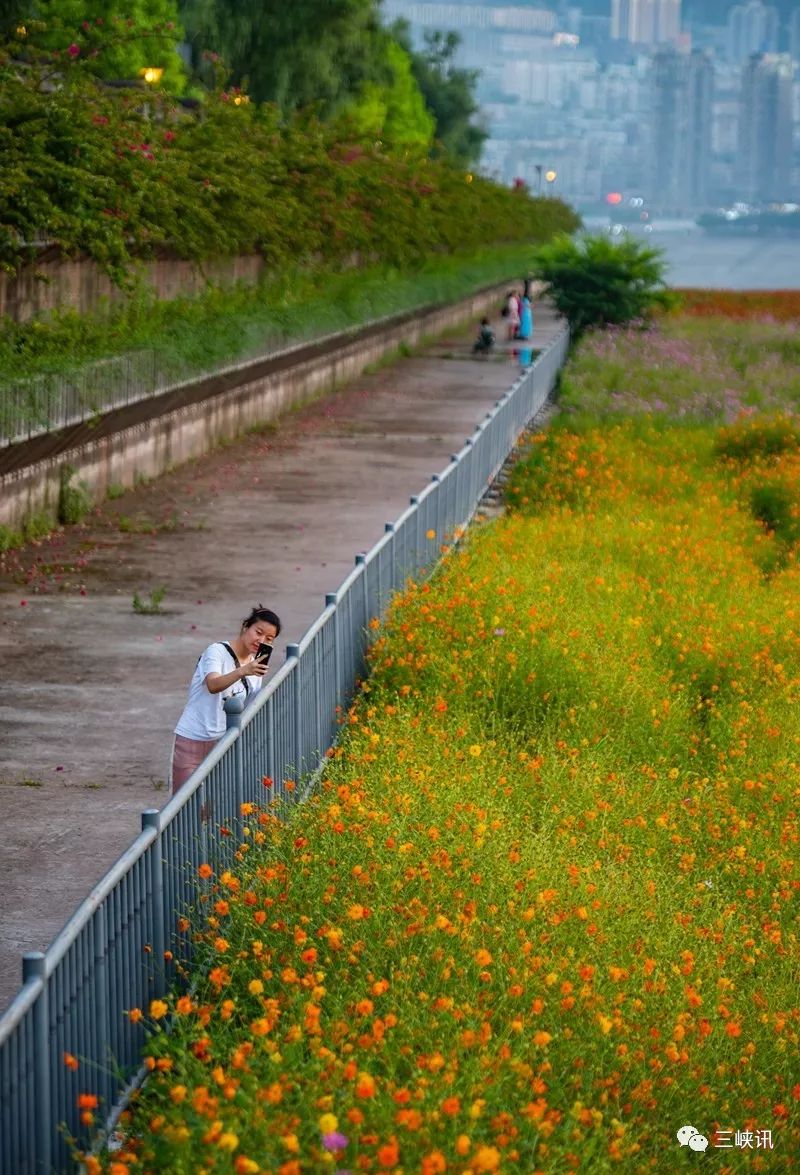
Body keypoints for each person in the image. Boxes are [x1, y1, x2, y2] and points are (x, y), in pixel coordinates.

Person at [171, 604, 282, 793]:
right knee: (183, 808)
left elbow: (246, 710)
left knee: (211, 808)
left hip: (222, 745)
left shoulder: (256, 670)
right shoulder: (216, 652)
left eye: (269, 639)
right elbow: (213, 685)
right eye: (258, 632)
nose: (261, 640)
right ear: (245, 626)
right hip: (192, 739)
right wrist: (243, 671)